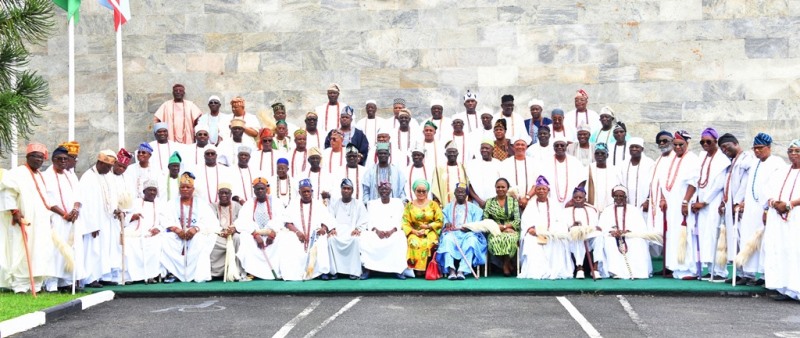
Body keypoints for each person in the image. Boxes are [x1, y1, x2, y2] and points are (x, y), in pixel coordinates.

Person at [0, 143, 55, 293]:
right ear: (28, 157)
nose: (38, 160)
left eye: (41, 158)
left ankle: (36, 285)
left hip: (40, 223)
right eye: (35, 156)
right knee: (22, 251)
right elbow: (7, 193)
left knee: (40, 251)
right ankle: (20, 286)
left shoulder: (40, 176)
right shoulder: (17, 173)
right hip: (23, 221)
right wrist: (14, 211)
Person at [738, 133, 784, 286]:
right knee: (747, 239)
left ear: (769, 147)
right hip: (751, 210)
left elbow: (776, 189)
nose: (757, 151)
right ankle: (748, 273)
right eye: (755, 148)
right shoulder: (754, 163)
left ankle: (764, 275)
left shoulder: (777, 163)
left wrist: (766, 209)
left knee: (765, 243)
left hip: (766, 210)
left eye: (760, 148)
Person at [161, 172, 217, 283]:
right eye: (183, 187)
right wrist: (177, 230)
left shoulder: (201, 203)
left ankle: (193, 273)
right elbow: (164, 219)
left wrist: (195, 229)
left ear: (193, 189)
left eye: (188, 187)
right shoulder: (171, 203)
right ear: (179, 189)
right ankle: (174, 273)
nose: (185, 189)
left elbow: (209, 221)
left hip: (195, 234)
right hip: (178, 234)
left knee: (200, 240)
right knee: (167, 239)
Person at [275, 179, 336, 281]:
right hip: (298, 235)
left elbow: (327, 219)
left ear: (312, 191)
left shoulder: (318, 204)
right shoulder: (293, 204)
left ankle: (322, 272)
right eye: (304, 192)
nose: (307, 194)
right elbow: (287, 222)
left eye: (309, 191)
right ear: (299, 192)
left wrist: (323, 228)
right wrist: (297, 232)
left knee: (322, 240)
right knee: (287, 240)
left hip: (315, 235)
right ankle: (296, 272)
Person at [690, 128, 729, 280]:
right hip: (701, 202)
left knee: (716, 235)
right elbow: (698, 179)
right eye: (702, 142)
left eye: (708, 141)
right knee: (705, 235)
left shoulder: (722, 159)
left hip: (714, 203)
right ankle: (711, 268)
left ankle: (720, 271)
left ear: (715, 142)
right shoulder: (702, 157)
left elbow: (719, 184)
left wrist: (704, 202)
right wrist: (696, 200)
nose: (705, 144)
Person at [42, 146, 83, 291]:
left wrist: (75, 209)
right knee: (55, 250)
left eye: (66, 159)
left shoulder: (71, 175)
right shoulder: (46, 176)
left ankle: (66, 282)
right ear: (53, 160)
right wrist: (64, 214)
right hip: (57, 219)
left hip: (72, 219)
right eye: (60, 159)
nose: (63, 162)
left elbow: (78, 196)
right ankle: (51, 284)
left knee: (71, 248)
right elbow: (47, 200)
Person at [661, 130, 701, 280]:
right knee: (674, 234)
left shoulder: (692, 159)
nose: (677, 147)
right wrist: (664, 199)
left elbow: (693, 183)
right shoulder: (672, 159)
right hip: (672, 204)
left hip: (684, 203)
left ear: (687, 144)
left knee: (686, 234)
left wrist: (685, 201)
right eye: (675, 144)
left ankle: (689, 269)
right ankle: (676, 268)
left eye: (681, 145)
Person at [764, 139, 800, 300]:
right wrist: (774, 203)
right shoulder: (782, 171)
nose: (793, 154)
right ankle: (785, 288)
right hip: (780, 218)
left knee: (796, 251)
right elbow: (768, 190)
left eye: (797, 151)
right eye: (790, 151)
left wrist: (790, 204)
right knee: (783, 250)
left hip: (796, 217)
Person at [716, 133, 754, 284]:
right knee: (735, 241)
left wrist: (740, 201)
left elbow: (747, 182)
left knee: (744, 239)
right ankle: (739, 272)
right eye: (722, 149)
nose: (724, 150)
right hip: (731, 207)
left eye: (726, 146)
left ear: (735, 143)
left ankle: (749, 275)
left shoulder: (747, 158)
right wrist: (724, 202)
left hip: (741, 207)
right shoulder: (732, 162)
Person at [80, 150, 120, 287]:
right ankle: (90, 279)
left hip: (107, 219)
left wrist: (115, 209)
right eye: (107, 166)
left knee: (106, 248)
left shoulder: (108, 176)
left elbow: (113, 195)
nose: (109, 169)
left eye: (111, 167)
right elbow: (84, 203)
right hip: (94, 222)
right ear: (99, 162)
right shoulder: (87, 177)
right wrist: (91, 225)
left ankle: (104, 276)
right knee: (93, 249)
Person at [518, 176, 572, 279]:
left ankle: (553, 269)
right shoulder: (531, 204)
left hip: (551, 234)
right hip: (535, 235)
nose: (541, 191)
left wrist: (551, 231)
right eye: (539, 189)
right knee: (530, 242)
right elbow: (526, 221)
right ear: (536, 191)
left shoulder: (555, 204)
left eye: (544, 189)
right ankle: (537, 271)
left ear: (548, 190)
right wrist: (530, 229)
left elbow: (561, 221)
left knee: (557, 242)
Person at [599, 186, 654, 279]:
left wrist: (627, 231)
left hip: (630, 235)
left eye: (621, 196)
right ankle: (615, 272)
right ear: (613, 197)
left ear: (626, 197)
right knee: (609, 242)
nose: (619, 198)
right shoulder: (607, 210)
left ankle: (638, 272)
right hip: (612, 236)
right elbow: (601, 227)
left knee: (638, 242)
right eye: (616, 196)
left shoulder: (634, 210)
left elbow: (641, 227)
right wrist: (611, 232)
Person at [235, 178, 284, 280]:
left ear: (266, 189)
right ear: (254, 190)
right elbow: (242, 221)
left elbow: (282, 218)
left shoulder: (276, 202)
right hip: (255, 235)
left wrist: (273, 233)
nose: (260, 191)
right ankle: (252, 271)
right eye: (257, 189)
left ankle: (278, 269)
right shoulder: (249, 203)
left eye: (262, 189)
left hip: (272, 234)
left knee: (283, 236)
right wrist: (255, 235)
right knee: (244, 236)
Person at [436, 183, 487, 280]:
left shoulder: (475, 208)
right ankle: (451, 270)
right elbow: (443, 219)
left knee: (472, 241)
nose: (460, 194)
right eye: (458, 192)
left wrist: (470, 227)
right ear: (454, 194)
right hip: (452, 233)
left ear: (466, 194)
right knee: (447, 240)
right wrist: (446, 224)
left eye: (462, 192)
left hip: (469, 234)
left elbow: (477, 224)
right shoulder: (448, 207)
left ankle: (461, 270)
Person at [360, 181, 408, 279]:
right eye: (382, 189)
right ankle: (368, 269)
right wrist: (376, 231)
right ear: (378, 191)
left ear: (391, 190)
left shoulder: (398, 203)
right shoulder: (372, 203)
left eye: (386, 189)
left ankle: (397, 270)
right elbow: (369, 221)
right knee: (365, 236)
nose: (384, 191)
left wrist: (392, 231)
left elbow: (401, 220)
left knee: (401, 237)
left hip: (393, 232)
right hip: (376, 233)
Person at [123, 180, 166, 284]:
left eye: (154, 190)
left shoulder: (160, 204)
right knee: (129, 244)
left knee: (156, 245)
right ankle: (132, 277)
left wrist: (158, 228)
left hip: (153, 233)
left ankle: (151, 275)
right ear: (144, 191)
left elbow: (165, 221)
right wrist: (132, 217)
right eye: (149, 190)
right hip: (135, 232)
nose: (152, 193)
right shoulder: (135, 202)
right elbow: (125, 217)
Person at [325, 178, 368, 280]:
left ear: (352, 191)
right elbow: (329, 218)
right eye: (344, 188)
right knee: (331, 239)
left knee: (356, 240)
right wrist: (332, 229)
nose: (346, 191)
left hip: (352, 232)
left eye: (349, 189)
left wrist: (358, 229)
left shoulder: (358, 204)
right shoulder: (335, 203)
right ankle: (334, 271)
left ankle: (353, 272)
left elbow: (364, 220)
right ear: (341, 190)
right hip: (338, 233)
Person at [402, 179, 444, 277]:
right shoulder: (409, 206)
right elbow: (405, 222)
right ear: (414, 191)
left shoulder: (434, 204)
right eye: (418, 191)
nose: (421, 193)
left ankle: (426, 269)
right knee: (413, 242)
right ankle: (416, 269)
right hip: (415, 231)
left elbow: (440, 221)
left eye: (423, 191)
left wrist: (428, 226)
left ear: (427, 192)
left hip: (430, 231)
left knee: (428, 242)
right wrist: (414, 231)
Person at [563, 184, 605, 279]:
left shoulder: (592, 210)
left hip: (589, 236)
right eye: (575, 197)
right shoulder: (565, 211)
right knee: (577, 235)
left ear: (585, 199)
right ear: (572, 199)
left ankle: (595, 268)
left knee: (599, 236)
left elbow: (596, 226)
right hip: (573, 237)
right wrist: (573, 226)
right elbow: (564, 227)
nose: (578, 199)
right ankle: (579, 268)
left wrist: (592, 229)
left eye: (580, 197)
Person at [484, 178, 521, 276]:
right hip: (494, 229)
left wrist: (506, 227)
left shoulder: (514, 202)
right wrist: (497, 227)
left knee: (510, 239)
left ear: (507, 188)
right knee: (495, 240)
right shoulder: (489, 202)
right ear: (495, 188)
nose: (500, 189)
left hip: (511, 229)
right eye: (498, 187)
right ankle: (507, 264)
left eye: (503, 187)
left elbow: (517, 220)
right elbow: (485, 219)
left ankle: (505, 265)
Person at [210, 183, 244, 281]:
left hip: (233, 234)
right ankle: (216, 272)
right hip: (219, 235)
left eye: (226, 193)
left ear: (231, 194)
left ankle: (238, 271)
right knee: (210, 240)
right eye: (221, 193)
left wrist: (234, 228)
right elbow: (210, 221)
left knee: (238, 238)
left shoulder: (237, 206)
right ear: (218, 194)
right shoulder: (212, 206)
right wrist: (220, 231)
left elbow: (241, 220)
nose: (224, 195)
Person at [616, 138, 653, 223]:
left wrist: (648, 200)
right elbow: (619, 182)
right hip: (627, 202)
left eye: (637, 147)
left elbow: (653, 184)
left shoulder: (650, 164)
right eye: (631, 147)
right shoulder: (623, 164)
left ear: (642, 149)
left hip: (643, 202)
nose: (634, 149)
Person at [542, 137, 587, 206]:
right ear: (553, 147)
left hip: (571, 200)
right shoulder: (546, 162)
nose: (559, 147)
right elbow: (542, 181)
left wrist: (574, 200)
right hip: (551, 200)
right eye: (557, 145)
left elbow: (582, 181)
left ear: (566, 146)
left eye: (562, 145)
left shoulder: (575, 161)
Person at [466, 140, 501, 208]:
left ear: (492, 149)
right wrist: (479, 201)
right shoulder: (472, 164)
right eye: (482, 148)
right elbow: (468, 185)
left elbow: (502, 185)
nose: (484, 150)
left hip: (494, 204)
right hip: (475, 203)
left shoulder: (498, 164)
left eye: (487, 148)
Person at [502, 137, 538, 206]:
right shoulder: (505, 163)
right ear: (513, 147)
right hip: (511, 202)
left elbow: (537, 183)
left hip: (531, 201)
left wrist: (527, 197)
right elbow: (504, 183)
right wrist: (515, 199)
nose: (520, 147)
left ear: (526, 147)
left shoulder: (534, 163)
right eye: (517, 144)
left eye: (522, 145)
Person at [586, 143, 620, 213]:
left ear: (607, 155)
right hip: (592, 207)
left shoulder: (614, 170)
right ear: (594, 155)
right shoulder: (588, 169)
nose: (599, 155)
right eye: (597, 153)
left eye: (602, 153)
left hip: (610, 207)